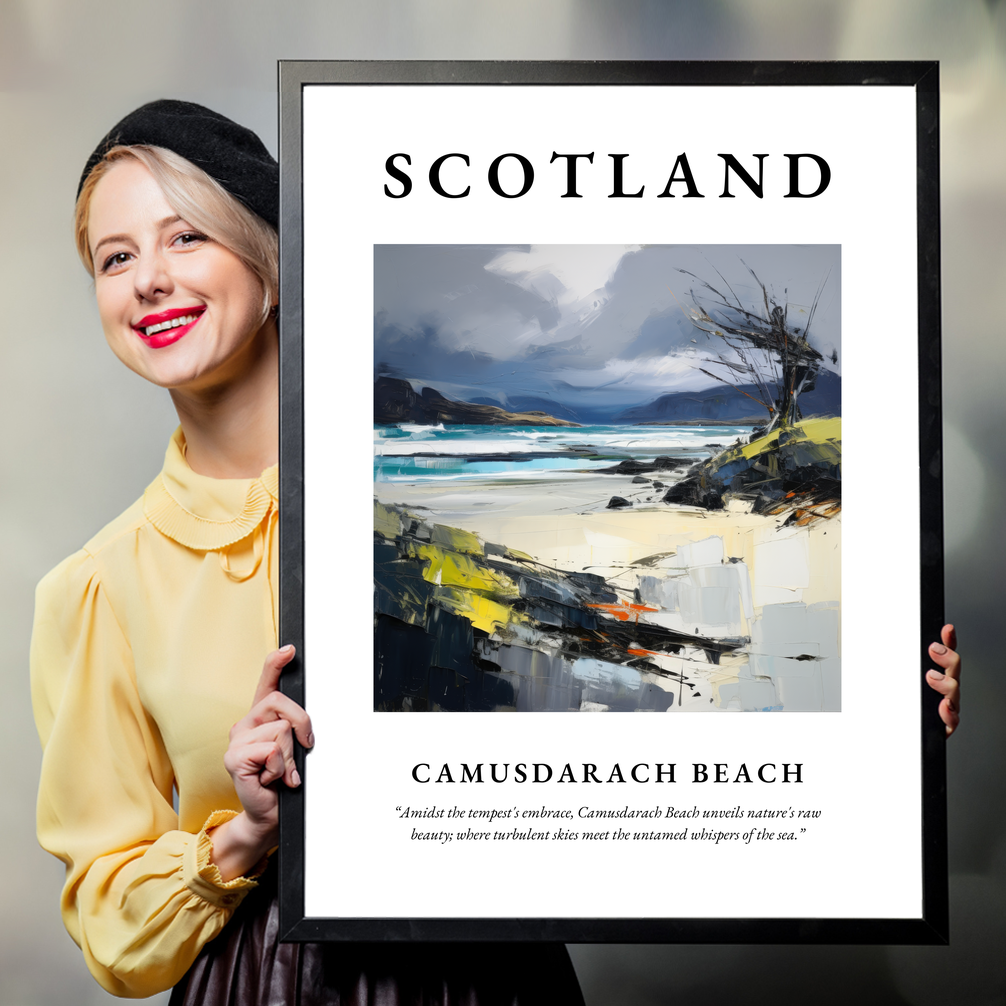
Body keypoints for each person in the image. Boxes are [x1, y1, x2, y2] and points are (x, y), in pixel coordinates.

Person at [30, 100, 585, 1004]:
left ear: (273, 263)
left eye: (186, 237)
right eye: (115, 258)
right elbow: (110, 924)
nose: (149, 281)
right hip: (264, 981)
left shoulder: (443, 506)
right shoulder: (97, 586)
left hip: (490, 971)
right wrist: (246, 833)